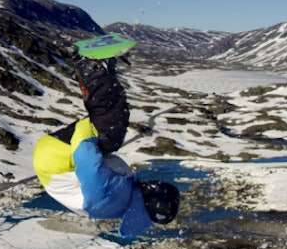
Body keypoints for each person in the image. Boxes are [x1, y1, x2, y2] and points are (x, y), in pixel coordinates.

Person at [32, 53, 180, 239]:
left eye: (155, 187)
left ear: (151, 200)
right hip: (56, 160)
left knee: (111, 128)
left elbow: (87, 161)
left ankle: (92, 68)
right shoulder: (123, 201)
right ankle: (95, 73)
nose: (152, 183)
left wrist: (86, 131)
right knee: (112, 121)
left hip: (56, 158)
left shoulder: (110, 196)